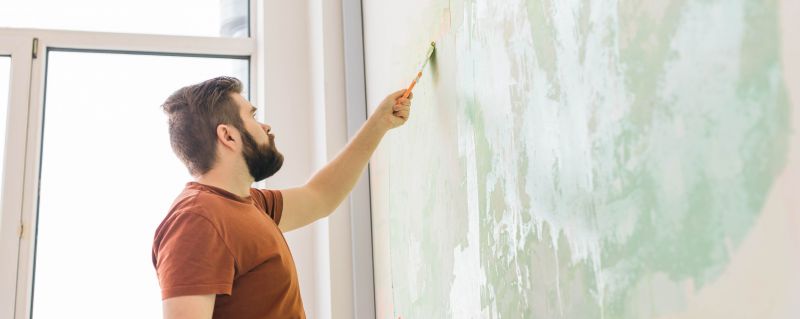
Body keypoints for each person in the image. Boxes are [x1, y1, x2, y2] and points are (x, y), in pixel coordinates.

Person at [151, 76, 413, 319]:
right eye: (252, 116)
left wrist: (380, 123)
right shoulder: (197, 221)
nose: (265, 126)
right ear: (228, 135)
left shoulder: (245, 203)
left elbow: (320, 197)